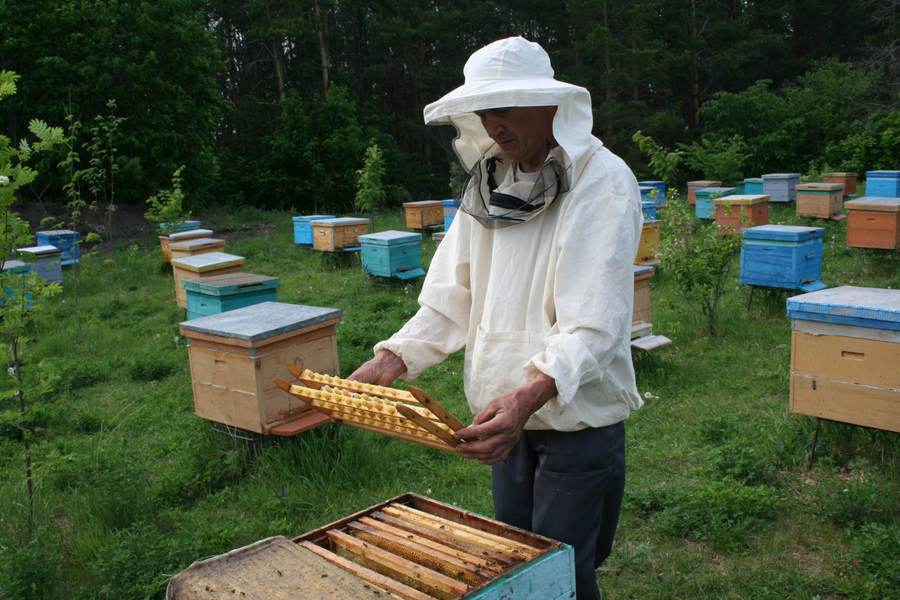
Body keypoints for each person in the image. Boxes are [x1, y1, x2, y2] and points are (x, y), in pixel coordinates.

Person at [349, 36, 643, 599]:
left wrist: (527, 395)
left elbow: (593, 323)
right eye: (483, 111)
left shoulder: (601, 182)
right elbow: (450, 296)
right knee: (515, 562)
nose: (493, 124)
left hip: (575, 419)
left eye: (505, 108)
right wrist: (392, 357)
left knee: (561, 572)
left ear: (547, 104)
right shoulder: (491, 185)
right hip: (503, 418)